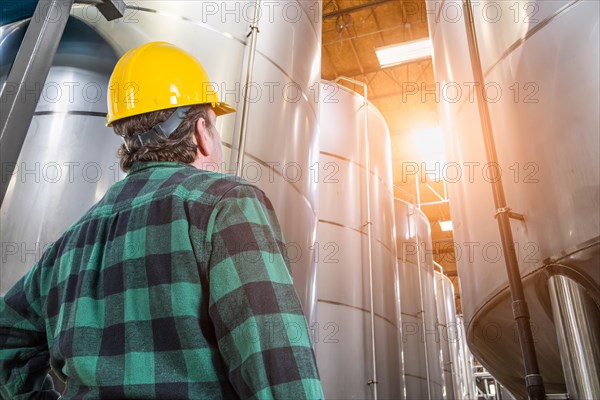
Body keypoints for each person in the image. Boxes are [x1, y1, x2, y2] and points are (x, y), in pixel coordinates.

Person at [0, 42, 323, 399]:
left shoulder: (69, 244)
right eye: (214, 128)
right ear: (202, 132)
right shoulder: (226, 204)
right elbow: (279, 368)